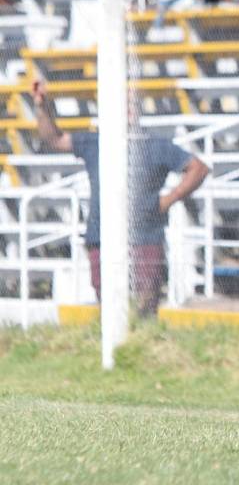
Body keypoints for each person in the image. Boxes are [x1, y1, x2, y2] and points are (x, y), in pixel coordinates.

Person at [32, 79, 209, 316]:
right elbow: (54, 139)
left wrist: (169, 199)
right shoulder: (96, 142)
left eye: (131, 105)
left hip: (145, 235)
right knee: (107, 303)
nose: (128, 111)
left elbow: (198, 168)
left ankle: (143, 334)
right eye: (123, 105)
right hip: (101, 235)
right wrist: (41, 106)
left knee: (146, 301)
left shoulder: (155, 145)